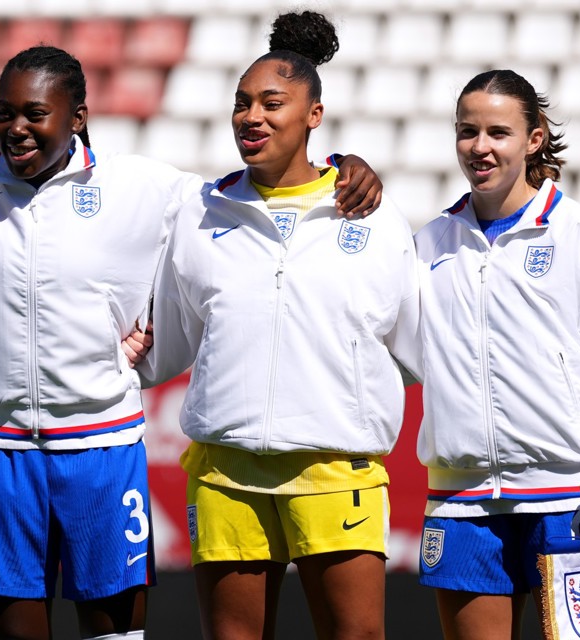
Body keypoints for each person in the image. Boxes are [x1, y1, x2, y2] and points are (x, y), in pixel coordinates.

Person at [0, 43, 384, 640]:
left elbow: (249, 197)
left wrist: (343, 164)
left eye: (35, 113)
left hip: (101, 444)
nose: (16, 128)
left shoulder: (143, 186)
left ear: (77, 117)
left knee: (114, 636)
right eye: (5, 111)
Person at [133, 12, 420, 640]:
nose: (251, 117)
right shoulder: (200, 213)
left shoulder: (370, 215)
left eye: (272, 102)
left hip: (336, 469)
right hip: (224, 473)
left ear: (314, 115)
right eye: (241, 104)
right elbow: (169, 347)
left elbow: (423, 347)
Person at [412, 69, 580, 640]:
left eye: (498, 131)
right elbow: (394, 355)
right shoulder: (429, 245)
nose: (479, 147)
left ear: (535, 138)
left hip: (568, 500)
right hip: (461, 502)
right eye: (466, 131)